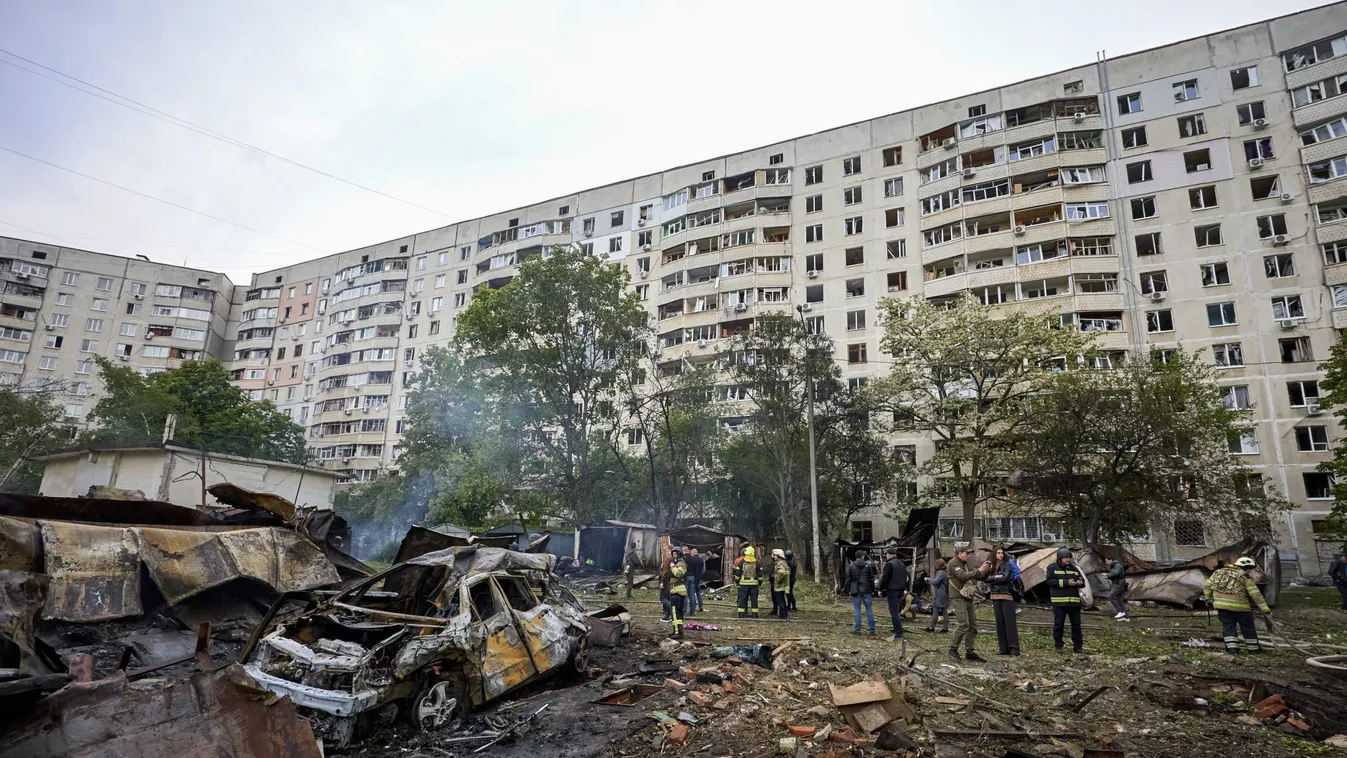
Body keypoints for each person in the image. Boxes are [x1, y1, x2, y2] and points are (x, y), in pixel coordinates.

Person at [1203, 556, 1271, 654]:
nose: (1250, 571)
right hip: (1241, 608)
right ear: (1245, 567)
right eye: (1250, 569)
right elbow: (1256, 595)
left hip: (1222, 607)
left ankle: (1232, 650)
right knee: (1248, 628)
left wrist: (1208, 599)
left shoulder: (1218, 573)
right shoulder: (1245, 577)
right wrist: (1265, 609)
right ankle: (1254, 650)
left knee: (1228, 627)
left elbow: (1207, 586)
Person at [947, 543, 991, 661]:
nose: (968, 556)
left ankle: (969, 652)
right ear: (959, 553)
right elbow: (963, 576)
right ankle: (953, 649)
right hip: (957, 596)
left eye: (970, 553)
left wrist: (986, 571)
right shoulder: (953, 563)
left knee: (972, 626)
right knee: (963, 624)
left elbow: (979, 576)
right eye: (966, 553)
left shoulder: (966, 564)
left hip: (967, 597)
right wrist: (979, 570)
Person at [1045, 547, 1086, 654]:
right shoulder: (1052, 568)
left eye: (1069, 558)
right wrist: (1066, 582)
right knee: (1059, 624)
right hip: (1059, 602)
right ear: (1060, 559)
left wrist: (1080, 583)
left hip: (1074, 602)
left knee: (1076, 625)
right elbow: (1050, 581)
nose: (1068, 560)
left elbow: (1082, 582)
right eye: (1065, 558)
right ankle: (1058, 646)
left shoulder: (1074, 569)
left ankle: (1078, 647)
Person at [987, 547, 1020, 656]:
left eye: (1002, 553)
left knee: (1009, 622)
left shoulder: (1007, 565)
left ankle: (1014, 648)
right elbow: (985, 578)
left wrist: (993, 579)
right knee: (999, 623)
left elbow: (1005, 577)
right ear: (994, 554)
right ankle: (1003, 648)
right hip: (995, 596)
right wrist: (995, 577)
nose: (1000, 555)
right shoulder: (991, 566)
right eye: (998, 553)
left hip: (1006, 595)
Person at [879, 547, 909, 640]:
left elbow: (885, 578)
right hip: (900, 589)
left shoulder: (889, 564)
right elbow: (905, 577)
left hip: (892, 590)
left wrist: (880, 589)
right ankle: (897, 627)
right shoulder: (901, 564)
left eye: (886, 555)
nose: (886, 556)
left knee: (893, 611)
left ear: (889, 555)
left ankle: (898, 631)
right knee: (897, 610)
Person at [846, 549, 877, 635]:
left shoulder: (851, 566)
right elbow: (871, 579)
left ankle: (857, 630)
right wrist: (873, 590)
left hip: (856, 590)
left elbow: (849, 579)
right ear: (862, 556)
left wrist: (849, 590)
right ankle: (872, 630)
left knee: (857, 610)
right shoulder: (868, 565)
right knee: (869, 610)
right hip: (867, 590)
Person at [666, 547, 689, 639]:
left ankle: (677, 632)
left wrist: (672, 568)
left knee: (675, 613)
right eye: (673, 554)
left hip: (677, 592)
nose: (674, 556)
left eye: (676, 554)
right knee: (678, 613)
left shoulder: (681, 564)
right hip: (675, 591)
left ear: (679, 554)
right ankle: (678, 631)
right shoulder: (678, 564)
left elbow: (679, 575)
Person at [733, 545, 761, 619]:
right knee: (754, 599)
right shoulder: (757, 563)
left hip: (743, 584)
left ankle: (741, 614)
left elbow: (738, 574)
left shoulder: (742, 562)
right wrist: (759, 583)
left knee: (742, 599)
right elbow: (760, 575)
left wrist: (737, 582)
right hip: (754, 585)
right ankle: (755, 614)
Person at [925, 559, 950, 632]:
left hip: (939, 595)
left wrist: (928, 579)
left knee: (935, 610)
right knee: (944, 611)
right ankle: (945, 628)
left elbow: (935, 582)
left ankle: (931, 628)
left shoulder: (942, 573)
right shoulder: (945, 572)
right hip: (944, 594)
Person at [770, 548, 791, 620]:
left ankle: (783, 615)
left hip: (779, 585)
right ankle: (784, 613)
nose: (773, 556)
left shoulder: (780, 563)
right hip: (783, 585)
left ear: (779, 556)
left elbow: (781, 573)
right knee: (782, 600)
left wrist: (776, 578)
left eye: (774, 555)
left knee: (780, 600)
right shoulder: (783, 562)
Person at [685, 547, 704, 616]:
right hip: (698, 578)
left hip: (692, 577)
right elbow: (703, 569)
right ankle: (700, 605)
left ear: (693, 553)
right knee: (698, 592)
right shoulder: (701, 560)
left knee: (690, 594)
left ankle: (690, 608)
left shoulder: (692, 559)